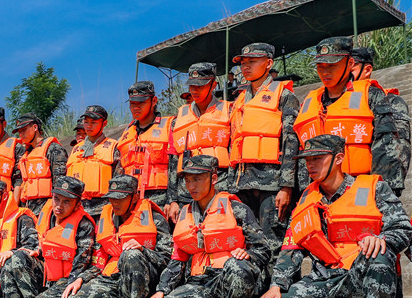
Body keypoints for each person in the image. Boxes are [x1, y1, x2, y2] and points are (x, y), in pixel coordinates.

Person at [254, 134, 412, 298]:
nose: (310, 165)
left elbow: (403, 229)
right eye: (307, 160)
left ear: (339, 158)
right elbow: (292, 244)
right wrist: (277, 285)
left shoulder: (373, 188)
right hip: (327, 281)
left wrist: (382, 239)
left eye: (317, 158)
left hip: (362, 278)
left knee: (379, 252)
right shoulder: (308, 198)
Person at [142, 155, 270, 298]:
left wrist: (247, 254)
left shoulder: (237, 209)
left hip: (227, 280)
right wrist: (163, 290)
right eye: (188, 180)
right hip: (199, 285)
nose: (191, 185)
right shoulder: (185, 215)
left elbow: (264, 249)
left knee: (238, 267)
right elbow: (177, 260)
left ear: (214, 178)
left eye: (198, 179)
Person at [58, 175, 172, 298]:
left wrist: (143, 250)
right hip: (115, 278)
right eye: (112, 198)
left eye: (121, 198)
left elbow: (167, 259)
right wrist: (81, 278)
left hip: (145, 280)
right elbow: (100, 260)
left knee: (131, 255)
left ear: (134, 198)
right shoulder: (107, 218)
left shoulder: (154, 218)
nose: (115, 203)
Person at [294, 37, 402, 195]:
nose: (325, 72)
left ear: (350, 63)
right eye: (320, 66)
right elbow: (304, 153)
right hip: (320, 193)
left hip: (361, 189)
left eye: (332, 65)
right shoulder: (310, 103)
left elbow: (387, 146)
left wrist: (385, 192)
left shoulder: (371, 95)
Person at [228, 42, 301, 247]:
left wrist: (286, 187)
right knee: (248, 245)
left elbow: (291, 143)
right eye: (243, 63)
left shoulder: (284, 96)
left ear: (269, 63)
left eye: (252, 61)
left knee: (274, 244)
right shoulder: (239, 101)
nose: (245, 67)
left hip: (271, 184)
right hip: (242, 184)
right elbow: (233, 143)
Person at [22, 176, 97, 298]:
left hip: (71, 279)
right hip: (48, 275)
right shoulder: (48, 215)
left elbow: (80, 268)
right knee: (18, 259)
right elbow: (40, 243)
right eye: (56, 199)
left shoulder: (83, 225)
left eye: (66, 202)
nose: (59, 206)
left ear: (77, 205)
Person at [166, 63, 232, 222]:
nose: (195, 90)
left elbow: (235, 153)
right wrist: (172, 200)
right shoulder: (178, 120)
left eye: (201, 85)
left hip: (220, 187)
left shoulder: (229, 111)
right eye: (192, 86)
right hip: (186, 192)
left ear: (213, 85)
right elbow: (173, 162)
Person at [352, 46, 411, 194]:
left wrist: (386, 191)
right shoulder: (330, 103)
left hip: (371, 187)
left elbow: (400, 149)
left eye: (351, 67)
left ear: (367, 70)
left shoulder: (391, 101)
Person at [117, 81, 173, 208]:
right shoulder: (126, 133)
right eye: (132, 104)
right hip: (130, 200)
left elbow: (175, 167)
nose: (136, 107)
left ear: (154, 101)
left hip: (160, 198)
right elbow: (119, 171)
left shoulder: (169, 126)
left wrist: (172, 201)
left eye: (141, 103)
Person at [66, 105, 122, 217]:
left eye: (94, 122)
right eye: (86, 122)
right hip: (77, 210)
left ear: (104, 123)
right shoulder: (76, 149)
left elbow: (119, 182)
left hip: (102, 210)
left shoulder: (113, 147)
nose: (89, 126)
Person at [16, 112, 68, 214]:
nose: (21, 134)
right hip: (28, 211)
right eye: (19, 131)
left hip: (47, 210)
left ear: (35, 127)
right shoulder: (25, 154)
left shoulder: (53, 148)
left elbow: (60, 181)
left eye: (24, 130)